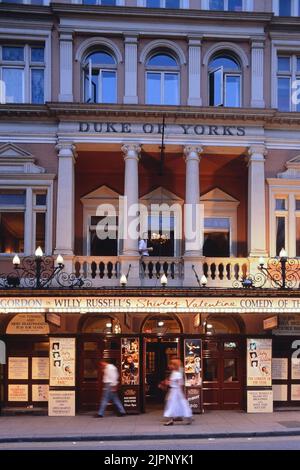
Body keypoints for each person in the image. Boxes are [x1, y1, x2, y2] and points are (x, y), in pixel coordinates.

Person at [163, 358, 193, 426]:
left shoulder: (177, 374)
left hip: (176, 391)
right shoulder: (174, 373)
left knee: (176, 404)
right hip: (173, 391)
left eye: (171, 364)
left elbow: (180, 383)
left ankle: (187, 418)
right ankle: (174, 419)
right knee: (173, 405)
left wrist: (180, 392)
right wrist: (168, 383)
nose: (169, 366)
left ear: (175, 365)